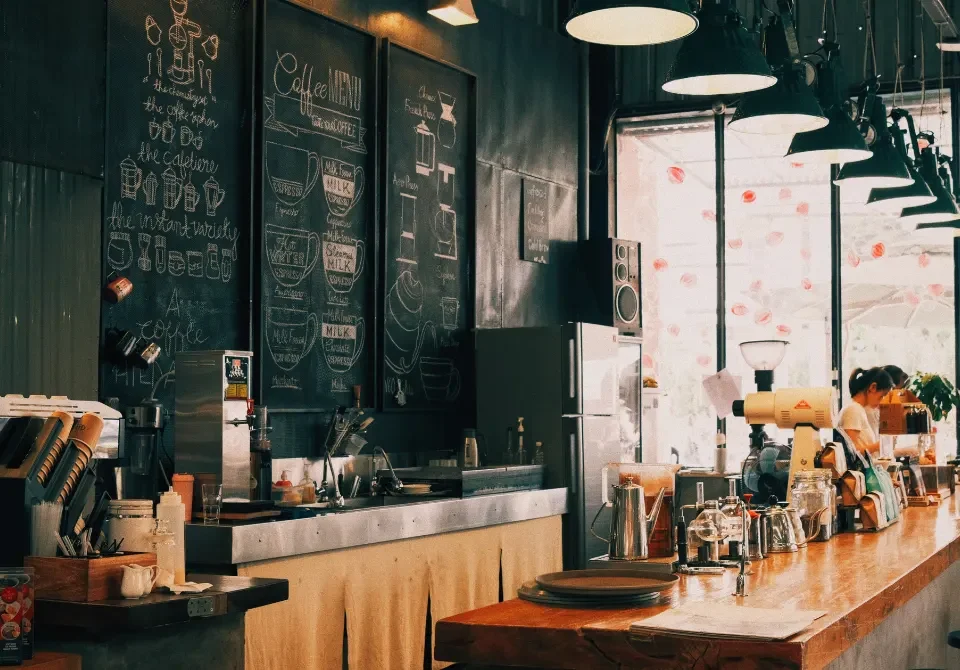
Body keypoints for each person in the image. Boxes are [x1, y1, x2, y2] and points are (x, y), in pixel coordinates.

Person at [838, 367, 895, 455]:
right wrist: (880, 445)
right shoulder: (853, 410)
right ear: (873, 387)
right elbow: (851, 452)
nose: (882, 401)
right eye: (882, 396)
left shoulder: (858, 409)